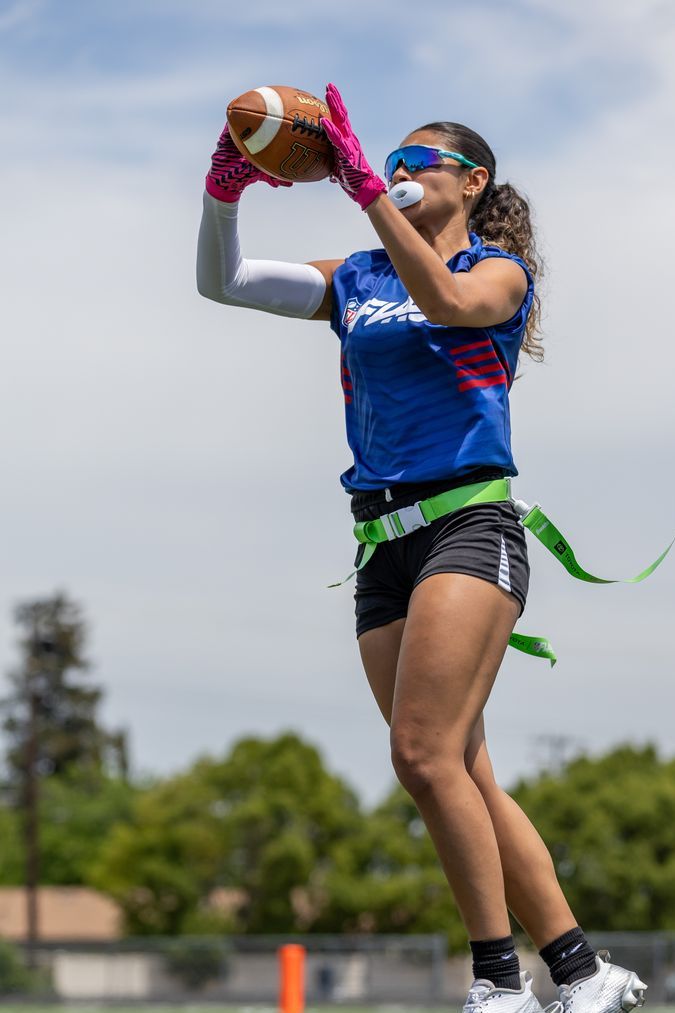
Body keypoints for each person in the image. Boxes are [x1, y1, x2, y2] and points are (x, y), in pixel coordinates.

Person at [196, 83, 648, 1013]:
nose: (394, 173)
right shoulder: (357, 276)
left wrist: (360, 183)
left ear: (471, 182)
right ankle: (579, 971)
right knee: (460, 768)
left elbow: (443, 298)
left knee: (421, 754)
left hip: (466, 523)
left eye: (414, 162)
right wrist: (223, 191)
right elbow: (224, 283)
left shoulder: (498, 272)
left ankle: (495, 982)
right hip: (380, 545)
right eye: (384, 160)